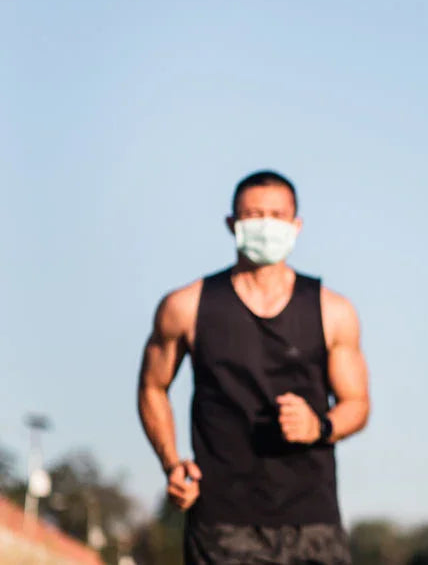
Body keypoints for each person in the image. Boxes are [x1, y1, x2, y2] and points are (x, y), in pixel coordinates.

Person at [138, 170, 369, 565]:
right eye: (254, 214)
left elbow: (357, 403)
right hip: (221, 525)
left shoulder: (333, 310)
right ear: (232, 224)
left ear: (296, 226)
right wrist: (172, 463)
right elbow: (152, 387)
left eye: (277, 216)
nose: (266, 225)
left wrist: (320, 426)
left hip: (313, 522)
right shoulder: (185, 306)